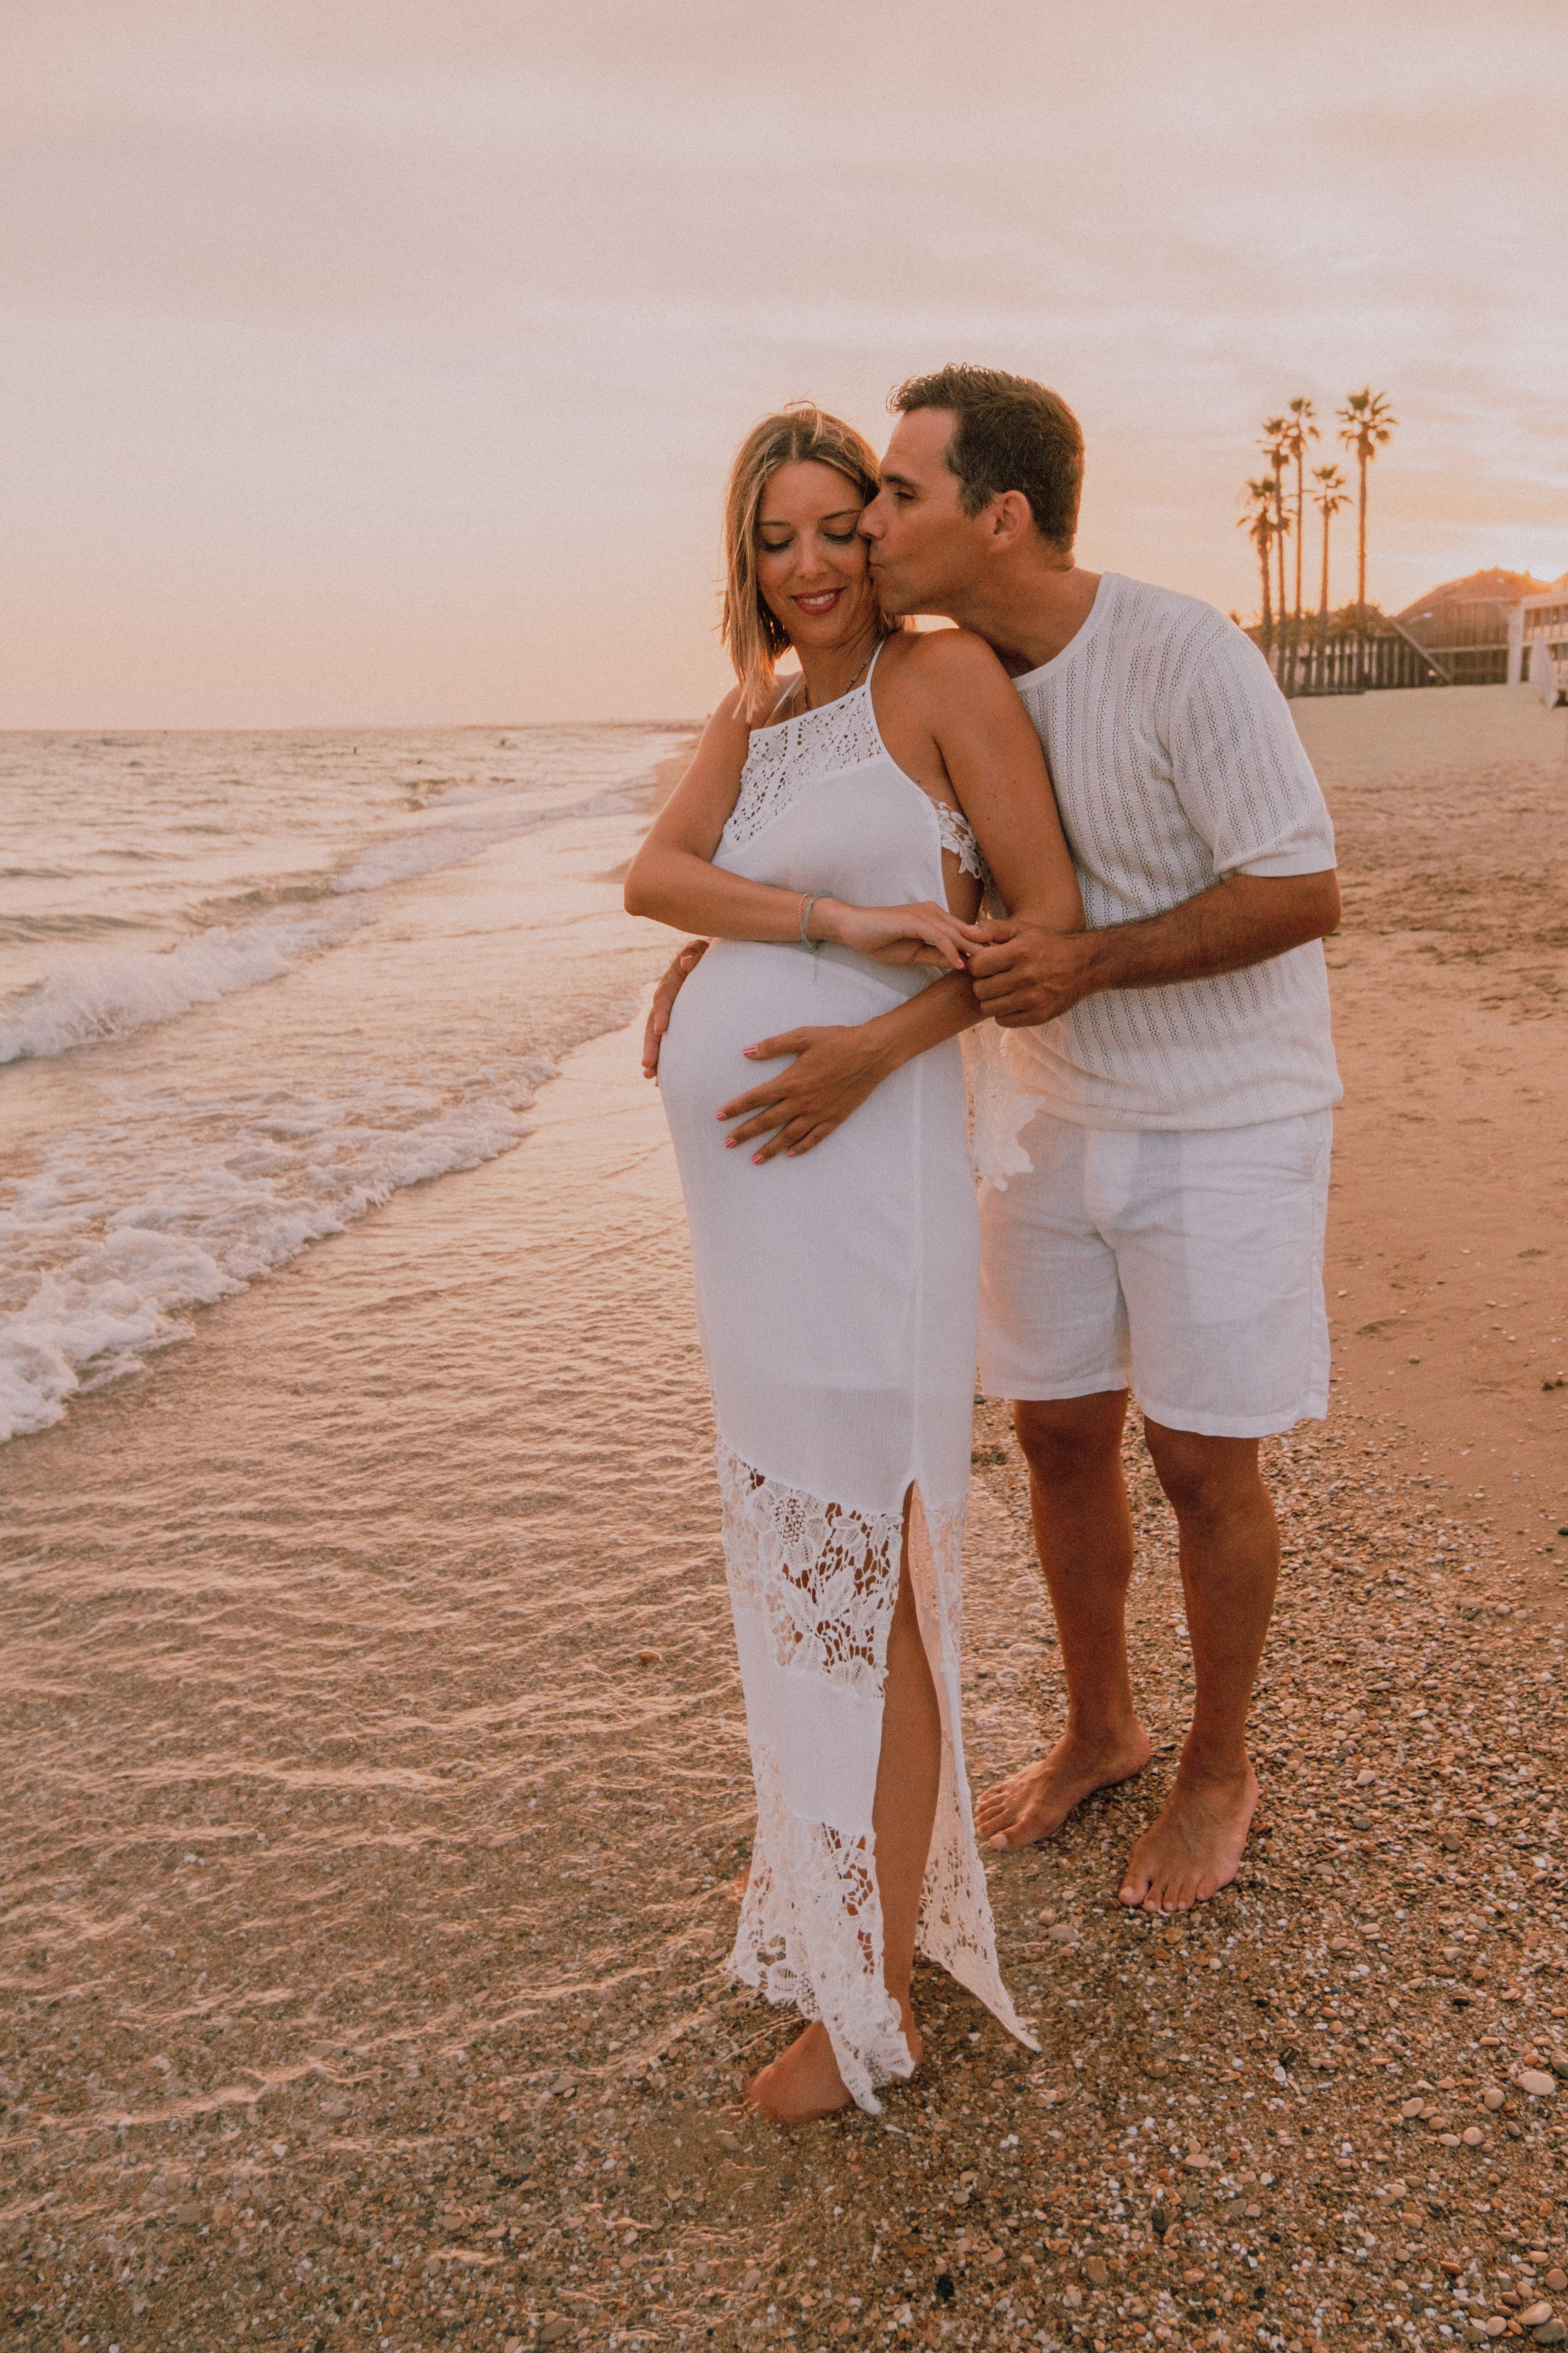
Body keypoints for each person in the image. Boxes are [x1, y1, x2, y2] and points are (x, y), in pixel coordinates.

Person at [645, 366, 1343, 1917]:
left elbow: (1302, 892)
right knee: (1053, 1433)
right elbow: (901, 853)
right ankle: (1101, 1724)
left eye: (894, 497)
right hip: (1046, 1108)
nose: (867, 529)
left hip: (1221, 1111)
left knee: (1199, 1459)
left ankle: (1216, 1767)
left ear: (998, 516)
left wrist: (1078, 963)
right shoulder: (938, 668)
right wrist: (733, 950)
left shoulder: (1178, 652)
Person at [624, 403, 1082, 2123]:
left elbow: (1036, 925)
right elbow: (655, 876)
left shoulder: (939, 678)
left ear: (881, 537)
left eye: (838, 526)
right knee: (789, 1553)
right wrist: (806, 928)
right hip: (755, 1225)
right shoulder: (758, 712)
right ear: (744, 561)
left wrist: (866, 1049)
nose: (811, 564)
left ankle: (873, 1995)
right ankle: (825, 1891)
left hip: (865, 1188)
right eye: (776, 539)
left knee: (865, 1567)